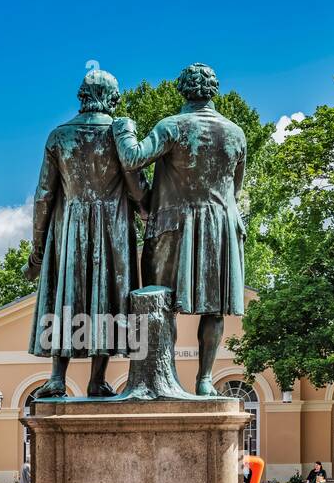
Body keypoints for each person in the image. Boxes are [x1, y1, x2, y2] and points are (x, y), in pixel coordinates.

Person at [113, 63, 247, 396]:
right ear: (213, 91)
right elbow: (236, 186)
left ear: (182, 90)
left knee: (160, 303)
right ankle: (204, 379)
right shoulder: (235, 133)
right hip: (221, 226)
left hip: (173, 226)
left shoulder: (172, 126)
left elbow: (132, 159)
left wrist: (123, 129)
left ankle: (166, 375)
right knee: (215, 308)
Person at [26, 68, 147, 398]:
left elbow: (44, 195)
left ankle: (56, 376)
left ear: (82, 97)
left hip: (71, 228)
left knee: (67, 295)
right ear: (110, 98)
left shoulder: (58, 136)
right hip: (114, 229)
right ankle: (97, 378)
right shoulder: (119, 134)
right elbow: (137, 190)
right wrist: (147, 209)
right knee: (108, 297)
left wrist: (37, 248)